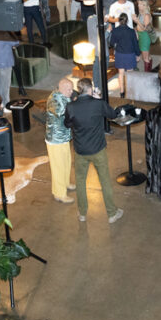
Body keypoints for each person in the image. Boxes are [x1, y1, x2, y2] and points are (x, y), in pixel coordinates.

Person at [64, 78, 123, 223]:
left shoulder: (71, 106)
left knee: (80, 181)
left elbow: (67, 124)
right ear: (90, 89)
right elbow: (113, 115)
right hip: (98, 149)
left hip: (80, 150)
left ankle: (82, 213)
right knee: (104, 181)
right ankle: (111, 213)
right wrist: (100, 99)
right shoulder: (98, 104)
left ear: (79, 90)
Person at [44, 79, 76, 203]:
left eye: (72, 89)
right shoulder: (54, 100)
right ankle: (59, 193)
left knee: (66, 161)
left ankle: (66, 183)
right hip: (55, 139)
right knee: (58, 166)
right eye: (69, 90)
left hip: (63, 137)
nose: (71, 92)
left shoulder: (64, 96)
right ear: (61, 89)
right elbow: (63, 113)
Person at [108, 13, 138, 98]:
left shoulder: (115, 30)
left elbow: (111, 43)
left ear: (119, 20)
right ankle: (129, 90)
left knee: (121, 73)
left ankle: (122, 92)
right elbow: (135, 44)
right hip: (130, 54)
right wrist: (138, 54)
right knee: (130, 73)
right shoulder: (132, 31)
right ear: (127, 21)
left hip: (120, 54)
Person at [134, 0, 155, 71]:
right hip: (141, 35)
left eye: (140, 4)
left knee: (145, 57)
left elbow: (145, 28)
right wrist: (136, 29)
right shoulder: (141, 12)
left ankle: (147, 74)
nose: (138, 6)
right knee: (147, 55)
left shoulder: (146, 15)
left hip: (145, 36)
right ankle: (149, 72)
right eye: (138, 4)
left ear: (144, 5)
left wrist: (137, 21)